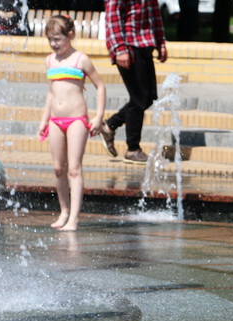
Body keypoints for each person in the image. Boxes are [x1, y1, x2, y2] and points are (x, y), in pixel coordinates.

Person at [37, 15, 107, 231]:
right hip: (56, 120)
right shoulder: (50, 60)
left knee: (74, 168)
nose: (54, 44)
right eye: (50, 39)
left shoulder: (81, 60)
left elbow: (101, 87)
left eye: (57, 39)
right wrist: (44, 119)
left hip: (77, 119)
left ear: (71, 36)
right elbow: (52, 92)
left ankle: (74, 218)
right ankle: (64, 211)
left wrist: (98, 116)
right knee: (59, 168)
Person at [101, 0, 168, 165]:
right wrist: (120, 48)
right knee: (138, 98)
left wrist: (161, 42)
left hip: (145, 44)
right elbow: (113, 18)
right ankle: (132, 149)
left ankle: (110, 125)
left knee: (149, 97)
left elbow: (154, 14)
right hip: (128, 47)